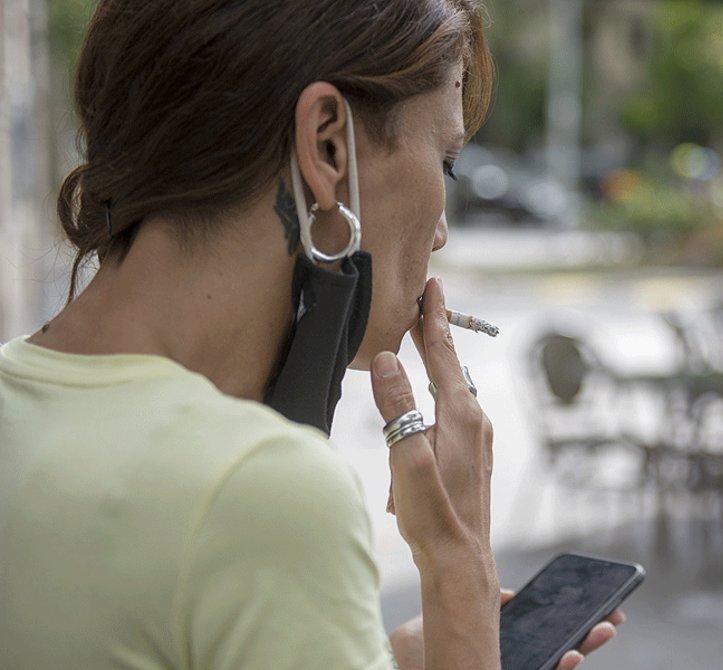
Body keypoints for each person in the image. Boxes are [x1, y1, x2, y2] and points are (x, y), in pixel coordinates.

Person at [0, 2, 623, 668]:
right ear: (327, 146)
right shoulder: (261, 494)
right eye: (446, 163)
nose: (441, 233)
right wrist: (458, 564)